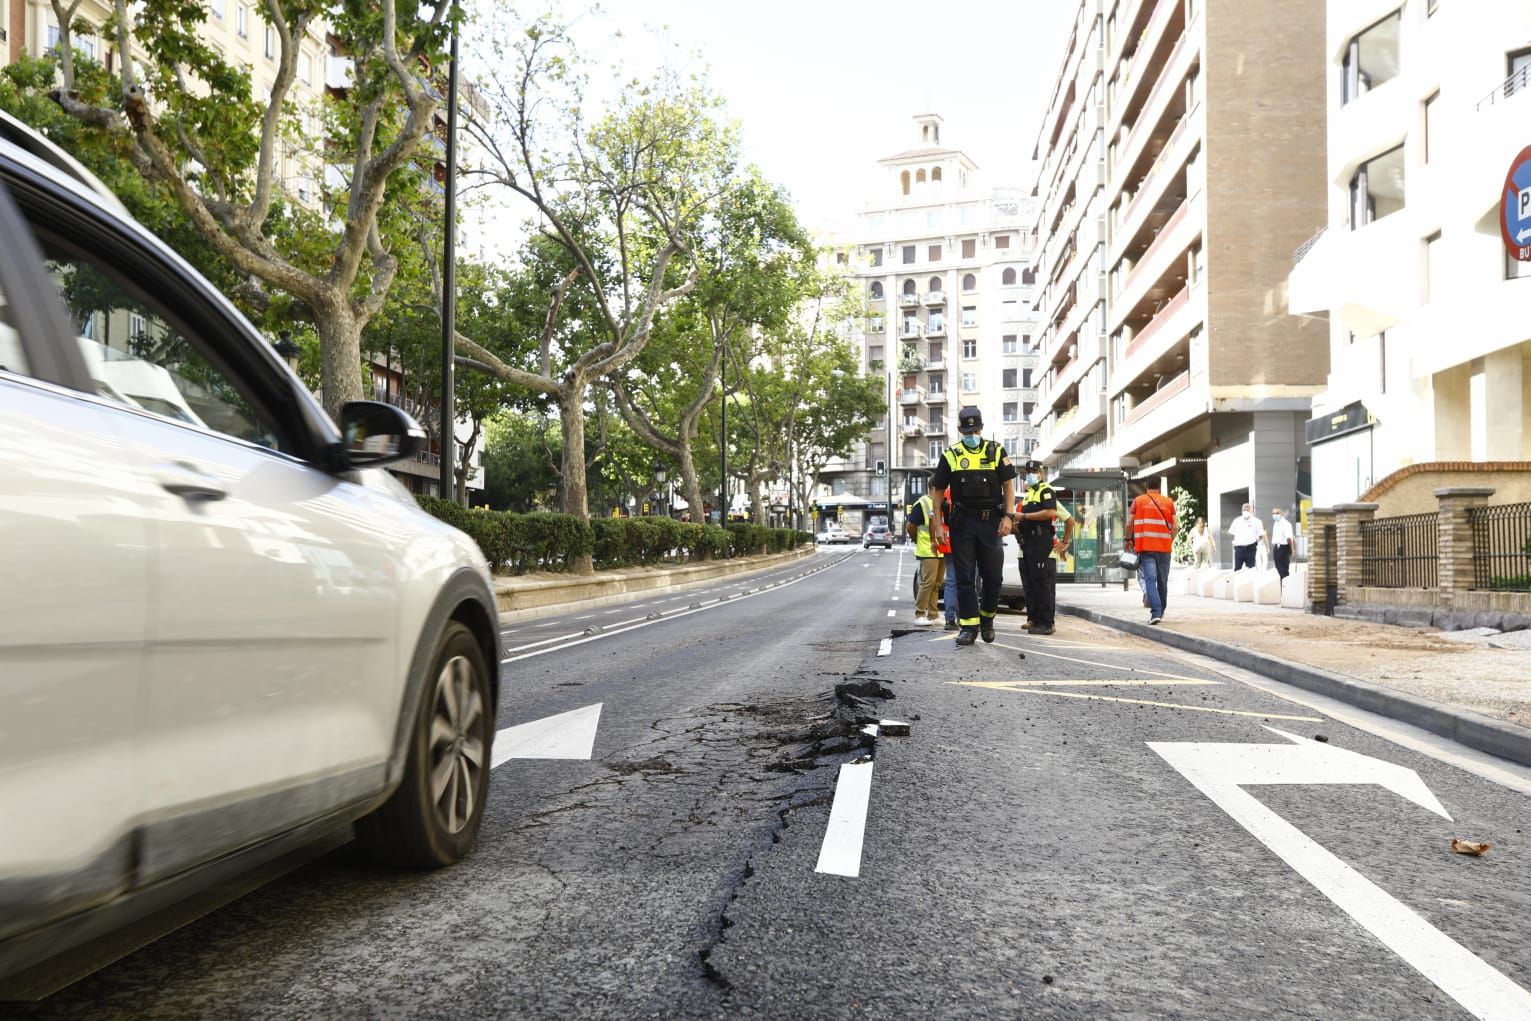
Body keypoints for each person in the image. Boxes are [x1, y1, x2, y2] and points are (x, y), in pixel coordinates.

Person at [931, 406, 1016, 647]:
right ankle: (968, 627)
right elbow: (937, 492)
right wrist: (938, 525)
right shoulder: (951, 455)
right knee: (965, 578)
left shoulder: (997, 451)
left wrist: (1008, 516)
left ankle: (987, 619)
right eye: (968, 430)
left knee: (993, 578)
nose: (972, 434)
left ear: (981, 428)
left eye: (975, 430)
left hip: (991, 523)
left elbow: (1008, 486)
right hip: (962, 523)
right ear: (960, 430)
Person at [1016, 459, 1061, 635]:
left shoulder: (1046, 490)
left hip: (1040, 541)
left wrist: (1024, 517)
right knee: (1033, 583)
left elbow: (1050, 512)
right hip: (1029, 542)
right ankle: (1036, 620)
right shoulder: (1028, 494)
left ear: (1041, 473)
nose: (1030, 474)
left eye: (1034, 471)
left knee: (1041, 583)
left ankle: (1046, 623)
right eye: (1027, 472)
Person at [1127, 480, 1177, 625]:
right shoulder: (1169, 502)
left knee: (1150, 580)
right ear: (1159, 487)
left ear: (1147, 487)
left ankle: (1155, 613)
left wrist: (1126, 538)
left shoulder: (1138, 501)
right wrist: (1169, 541)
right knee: (1162, 581)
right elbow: (1175, 527)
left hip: (1147, 548)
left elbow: (1129, 524)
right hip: (1164, 549)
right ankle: (1161, 612)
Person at [904, 489, 944, 624]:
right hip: (927, 550)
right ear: (934, 488)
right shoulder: (922, 504)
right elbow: (910, 527)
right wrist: (917, 540)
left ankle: (933, 614)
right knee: (927, 583)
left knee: (936, 584)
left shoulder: (941, 502)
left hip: (941, 549)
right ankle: (920, 614)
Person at [1228, 503, 1265, 571]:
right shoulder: (1237, 521)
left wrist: (1256, 539)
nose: (1245, 511)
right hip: (1239, 548)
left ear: (1251, 511)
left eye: (1247, 510)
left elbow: (1261, 535)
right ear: (1242, 511)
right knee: (1237, 569)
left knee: (1251, 569)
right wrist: (1236, 541)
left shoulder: (1257, 521)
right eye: (1244, 510)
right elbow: (1231, 533)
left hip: (1251, 548)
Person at [1270, 506, 1295, 580]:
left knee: (1284, 570)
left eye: (1277, 513)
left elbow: (1289, 538)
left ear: (1282, 514)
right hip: (1276, 548)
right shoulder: (1276, 523)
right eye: (1273, 513)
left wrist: (1291, 549)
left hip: (1284, 548)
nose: (1275, 515)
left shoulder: (1286, 524)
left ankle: (1286, 589)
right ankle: (1281, 588)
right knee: (1278, 570)